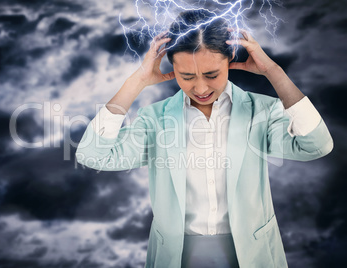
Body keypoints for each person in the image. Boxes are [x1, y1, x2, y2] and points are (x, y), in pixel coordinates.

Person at [75, 10, 333, 268]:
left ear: (230, 58)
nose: (200, 89)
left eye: (212, 75)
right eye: (186, 77)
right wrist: (137, 81)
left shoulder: (261, 111)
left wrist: (274, 72)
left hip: (251, 255)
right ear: (170, 66)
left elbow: (317, 145)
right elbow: (92, 154)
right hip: (177, 256)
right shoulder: (154, 118)